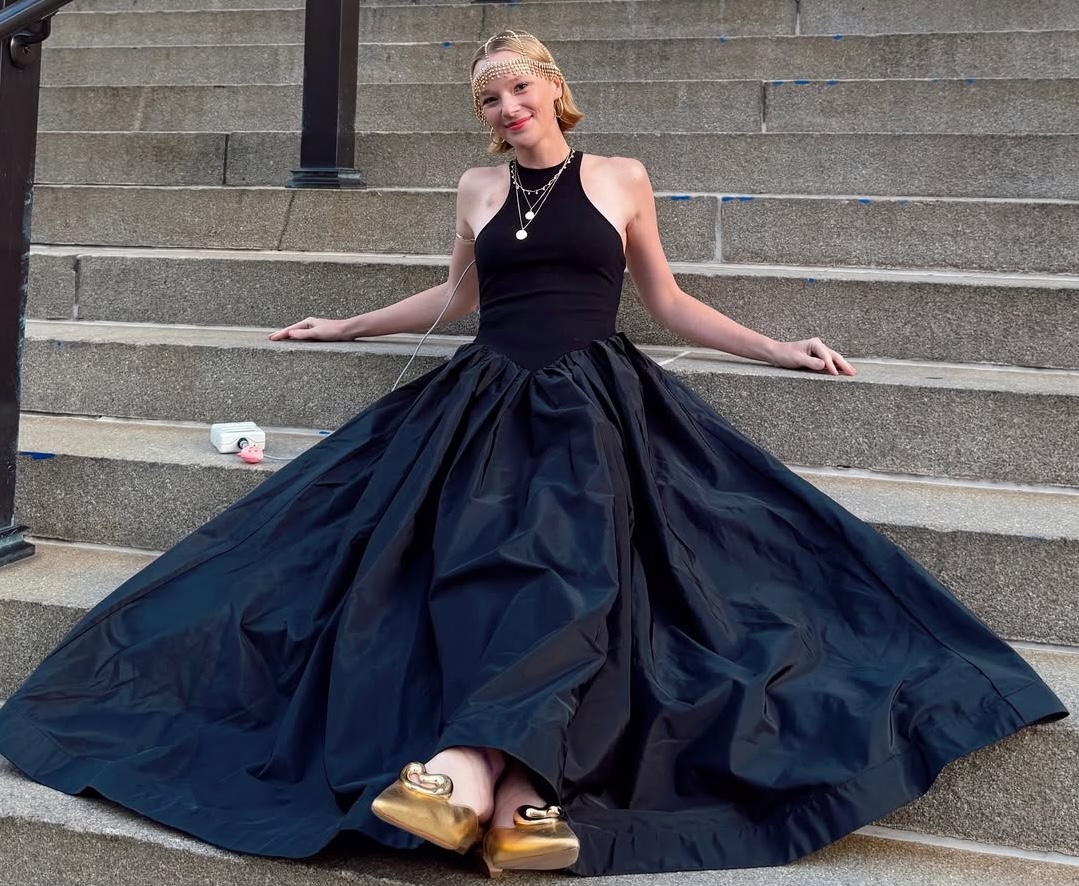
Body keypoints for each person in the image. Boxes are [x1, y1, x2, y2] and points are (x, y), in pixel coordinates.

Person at [0, 29, 1067, 880]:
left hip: (592, 400)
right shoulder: (474, 189)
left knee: (573, 559)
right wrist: (345, 326)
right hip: (479, 401)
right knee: (456, 564)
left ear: (556, 91)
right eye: (487, 101)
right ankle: (517, 802)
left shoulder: (621, 177)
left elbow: (667, 303)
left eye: (517, 91)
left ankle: (468, 773)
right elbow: (454, 300)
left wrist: (779, 345)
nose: (506, 110)